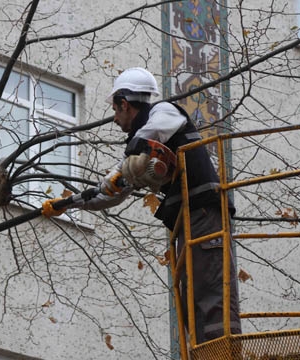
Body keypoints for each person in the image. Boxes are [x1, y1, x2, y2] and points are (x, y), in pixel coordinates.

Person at [83, 67, 242, 344]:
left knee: (211, 293)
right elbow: (113, 194)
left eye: (115, 109)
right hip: (189, 221)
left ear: (124, 102)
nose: (114, 118)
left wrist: (128, 159)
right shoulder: (147, 149)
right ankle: (203, 350)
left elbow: (150, 134)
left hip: (205, 213)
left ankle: (224, 352)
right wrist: (68, 203)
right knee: (192, 298)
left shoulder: (164, 112)